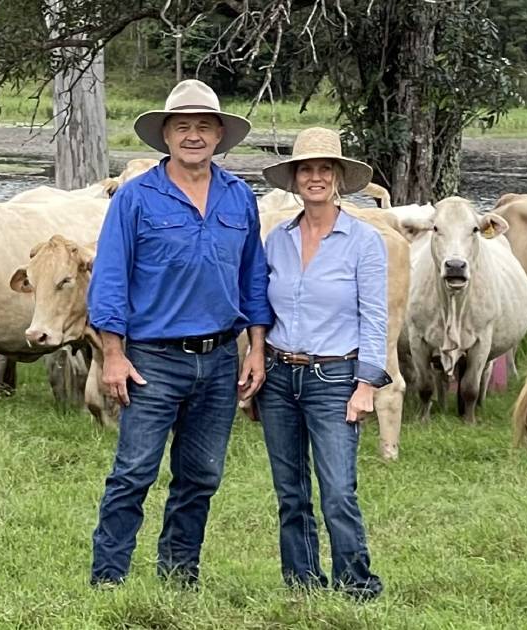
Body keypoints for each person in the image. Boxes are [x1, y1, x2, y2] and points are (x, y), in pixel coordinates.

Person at [86, 79, 272, 588]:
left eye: (204, 127)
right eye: (183, 126)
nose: (194, 135)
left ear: (219, 137)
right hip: (151, 360)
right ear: (166, 136)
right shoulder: (136, 198)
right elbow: (110, 280)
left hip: (218, 359)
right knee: (134, 473)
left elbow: (254, 279)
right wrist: (113, 355)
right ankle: (109, 579)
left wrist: (255, 348)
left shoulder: (239, 198)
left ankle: (179, 575)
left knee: (201, 475)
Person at [255, 126, 390, 600]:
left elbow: (375, 316)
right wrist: (253, 365)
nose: (315, 178)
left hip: (333, 375)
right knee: (290, 492)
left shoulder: (364, 241)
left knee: (337, 491)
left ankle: (357, 584)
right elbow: (261, 309)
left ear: (337, 178)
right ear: (294, 180)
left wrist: (366, 383)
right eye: (305, 169)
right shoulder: (277, 239)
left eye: (324, 169)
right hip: (277, 374)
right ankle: (302, 583)